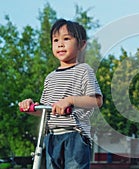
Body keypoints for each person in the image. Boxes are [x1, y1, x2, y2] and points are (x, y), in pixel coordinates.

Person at [18, 19, 103, 169]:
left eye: (66, 39)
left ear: (81, 45)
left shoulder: (84, 70)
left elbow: (96, 101)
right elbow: (46, 111)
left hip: (74, 135)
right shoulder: (50, 77)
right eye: (55, 40)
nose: (60, 44)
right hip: (52, 137)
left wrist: (70, 100)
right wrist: (31, 107)